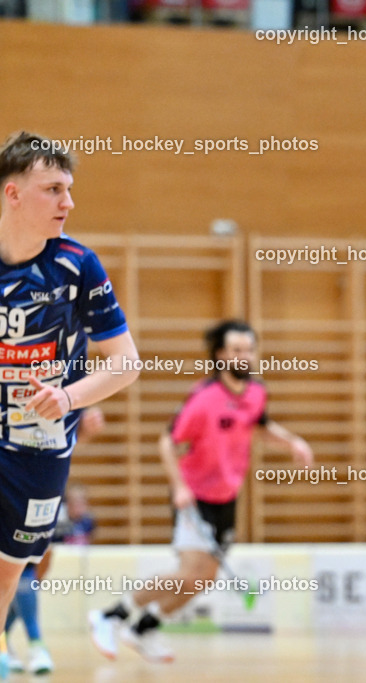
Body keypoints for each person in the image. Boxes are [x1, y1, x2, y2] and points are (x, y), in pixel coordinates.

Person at [0, 131, 141, 678]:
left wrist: (69, 397)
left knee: (9, 570)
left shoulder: (77, 266)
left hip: (40, 443)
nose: (69, 202)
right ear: (13, 193)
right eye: (54, 189)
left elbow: (126, 363)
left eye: (69, 188)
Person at [88, 320, 313, 663]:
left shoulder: (256, 391)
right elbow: (167, 442)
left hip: (227, 498)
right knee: (190, 573)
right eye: (236, 350)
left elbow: (260, 426)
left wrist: (293, 442)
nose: (244, 356)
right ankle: (111, 616)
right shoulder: (204, 398)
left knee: (203, 579)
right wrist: (179, 487)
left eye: (249, 350)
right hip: (195, 497)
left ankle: (144, 628)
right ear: (221, 354)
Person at [5, 407, 103, 675]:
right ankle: (30, 643)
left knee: (22, 572)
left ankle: (17, 643)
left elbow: (58, 434)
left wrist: (82, 427)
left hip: (30, 484)